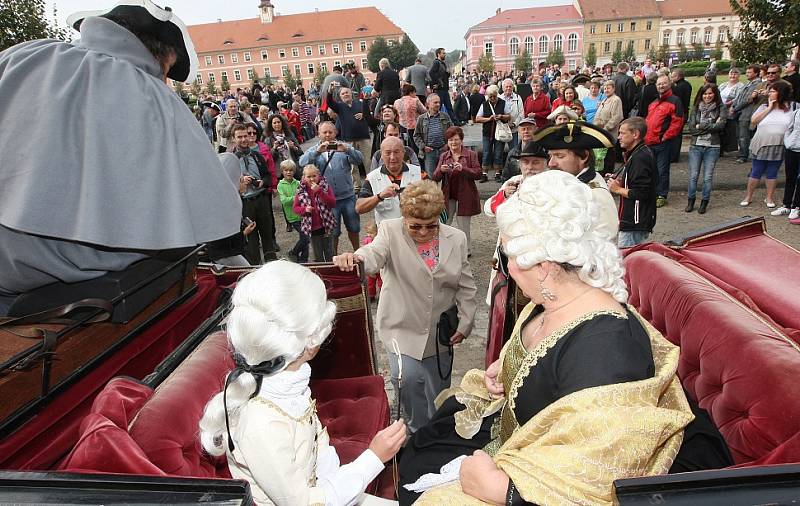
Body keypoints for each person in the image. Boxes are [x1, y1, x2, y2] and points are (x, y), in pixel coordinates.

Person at [399, 170, 705, 505]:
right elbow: (546, 363)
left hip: (542, 477)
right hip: (516, 434)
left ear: (543, 266)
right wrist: (510, 368)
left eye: (506, 256)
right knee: (419, 450)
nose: (506, 268)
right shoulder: (554, 300)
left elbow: (592, 480)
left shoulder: (605, 355)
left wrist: (505, 492)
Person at [0, 0, 241, 311]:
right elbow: (208, 207)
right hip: (66, 269)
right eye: (166, 71)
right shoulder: (154, 98)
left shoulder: (20, 57)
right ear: (162, 56)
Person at [199, 261, 406, 506]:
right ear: (310, 342)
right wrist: (372, 458)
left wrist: (347, 482)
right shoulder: (261, 423)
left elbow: (320, 454)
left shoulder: (288, 384)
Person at [334, 180, 478, 434]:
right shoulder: (389, 230)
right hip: (400, 326)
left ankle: (435, 433)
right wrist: (355, 258)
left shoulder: (456, 238)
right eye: (415, 226)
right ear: (404, 217)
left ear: (439, 218)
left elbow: (465, 284)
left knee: (438, 390)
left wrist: (466, 321)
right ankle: (415, 432)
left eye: (430, 226)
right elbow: (372, 254)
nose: (423, 232)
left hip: (439, 331)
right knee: (407, 381)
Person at [533, 121, 619, 241]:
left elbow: (603, 245)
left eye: (560, 156)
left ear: (584, 156)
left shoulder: (596, 195)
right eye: (551, 156)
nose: (551, 163)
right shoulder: (571, 183)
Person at [298, 122, 363, 253]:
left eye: (330, 132)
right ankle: (334, 257)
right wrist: (317, 152)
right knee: (333, 232)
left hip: (348, 196)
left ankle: (358, 253)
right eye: (324, 132)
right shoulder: (314, 149)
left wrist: (347, 149)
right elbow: (301, 162)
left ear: (335, 133)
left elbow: (359, 160)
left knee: (354, 227)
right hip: (328, 200)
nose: (327, 135)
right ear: (319, 134)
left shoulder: (343, 146)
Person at [741, 80, 795, 208]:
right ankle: (748, 196)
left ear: (780, 93)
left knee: (772, 172)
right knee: (756, 171)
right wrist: (770, 108)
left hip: (779, 145)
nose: (769, 93)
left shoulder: (791, 108)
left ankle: (769, 197)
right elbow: (754, 121)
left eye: (772, 91)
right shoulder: (763, 106)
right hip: (762, 144)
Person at [232, 124, 277, 265]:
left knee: (267, 234)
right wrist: (239, 181)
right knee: (251, 239)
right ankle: (255, 268)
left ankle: (272, 265)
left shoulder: (257, 156)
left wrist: (262, 183)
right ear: (234, 139)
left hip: (261, 200)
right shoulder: (231, 160)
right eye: (240, 137)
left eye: (246, 135)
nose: (244, 139)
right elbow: (226, 184)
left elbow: (268, 176)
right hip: (245, 203)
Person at [608, 117, 658, 247]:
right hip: (634, 222)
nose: (619, 137)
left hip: (634, 223)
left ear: (635, 134)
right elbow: (636, 181)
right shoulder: (637, 153)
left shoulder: (640, 157)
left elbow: (642, 192)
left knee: (625, 261)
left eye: (622, 133)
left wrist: (617, 189)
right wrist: (621, 179)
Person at [431, 127, 482, 251]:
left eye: (456, 139)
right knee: (444, 223)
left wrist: (463, 169)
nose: (453, 142)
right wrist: (441, 170)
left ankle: (466, 249)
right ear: (447, 142)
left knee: (464, 225)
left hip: (465, 195)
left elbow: (478, 173)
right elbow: (435, 177)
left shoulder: (471, 155)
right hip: (448, 195)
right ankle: (442, 247)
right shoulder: (444, 156)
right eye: (450, 140)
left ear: (462, 140)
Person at [357, 136, 426, 224]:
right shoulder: (372, 177)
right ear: (381, 155)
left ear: (403, 153)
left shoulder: (419, 173)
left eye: (396, 152)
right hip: (387, 234)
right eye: (388, 153)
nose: (392, 157)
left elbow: (436, 201)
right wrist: (379, 196)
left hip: (416, 233)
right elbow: (359, 208)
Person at [685, 84, 727, 214]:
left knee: (707, 177)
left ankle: (704, 201)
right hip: (696, 146)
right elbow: (691, 128)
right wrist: (711, 125)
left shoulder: (721, 108)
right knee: (693, 176)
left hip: (712, 147)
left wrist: (701, 126)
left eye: (710, 93)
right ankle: (691, 201)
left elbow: (721, 126)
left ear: (715, 94)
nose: (707, 96)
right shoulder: (696, 108)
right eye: (705, 94)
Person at [646, 74, 684, 208]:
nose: (661, 86)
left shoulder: (675, 101)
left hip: (663, 143)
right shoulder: (654, 103)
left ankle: (661, 194)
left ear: (669, 84)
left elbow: (677, 122)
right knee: (651, 170)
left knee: (662, 170)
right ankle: (652, 193)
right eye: (658, 84)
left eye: (663, 83)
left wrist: (665, 137)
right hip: (649, 141)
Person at [325, 84, 372, 191]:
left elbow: (368, 114)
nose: (345, 94)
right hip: (349, 140)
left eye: (347, 92)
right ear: (340, 97)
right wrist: (330, 92)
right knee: (352, 166)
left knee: (368, 163)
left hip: (363, 138)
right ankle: (357, 187)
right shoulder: (340, 107)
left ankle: (371, 184)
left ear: (351, 94)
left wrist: (363, 114)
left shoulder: (359, 103)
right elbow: (329, 103)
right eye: (343, 93)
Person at [292, 165, 337, 262]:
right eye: (309, 176)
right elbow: (295, 208)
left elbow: (333, 203)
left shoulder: (325, 186)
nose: (312, 179)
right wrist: (304, 209)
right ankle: (321, 272)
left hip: (326, 225)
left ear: (319, 175)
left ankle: (332, 271)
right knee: (318, 254)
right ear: (304, 177)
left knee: (329, 252)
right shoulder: (300, 190)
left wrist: (319, 191)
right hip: (312, 227)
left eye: (314, 176)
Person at [474, 85, 511, 182]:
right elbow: (477, 118)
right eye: (490, 97)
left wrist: (501, 116)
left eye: (494, 96)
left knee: (499, 152)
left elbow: (509, 116)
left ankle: (498, 173)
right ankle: (484, 173)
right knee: (486, 152)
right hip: (487, 132)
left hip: (499, 132)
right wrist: (489, 119)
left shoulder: (503, 103)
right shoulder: (484, 104)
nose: (493, 98)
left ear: (497, 95)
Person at [414, 93, 454, 177]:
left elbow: (453, 131)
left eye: (439, 102)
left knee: (447, 176)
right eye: (435, 102)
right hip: (429, 153)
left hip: (443, 151)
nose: (438, 104)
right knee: (431, 177)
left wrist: (447, 145)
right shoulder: (421, 119)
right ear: (428, 104)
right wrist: (423, 147)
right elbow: (416, 135)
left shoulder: (445, 116)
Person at [276, 160, 308, 262]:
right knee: (306, 238)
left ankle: (303, 260)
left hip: (303, 215)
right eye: (286, 170)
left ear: (294, 171)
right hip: (293, 217)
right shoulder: (280, 185)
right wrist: (296, 196)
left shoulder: (298, 183)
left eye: (291, 170)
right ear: (282, 172)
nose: (288, 172)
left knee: (305, 238)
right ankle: (293, 253)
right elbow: (284, 201)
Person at [733, 64, 763, 163]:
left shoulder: (757, 84)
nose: (747, 74)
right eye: (746, 72)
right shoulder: (749, 83)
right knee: (741, 135)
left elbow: (748, 99)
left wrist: (736, 108)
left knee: (744, 136)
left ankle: (743, 156)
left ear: (756, 73)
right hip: (742, 112)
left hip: (747, 113)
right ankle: (743, 153)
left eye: (749, 72)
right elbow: (740, 97)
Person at [594, 80, 624, 172]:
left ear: (613, 88)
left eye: (609, 88)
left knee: (609, 155)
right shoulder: (605, 99)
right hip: (600, 131)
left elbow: (617, 116)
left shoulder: (616, 100)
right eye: (605, 88)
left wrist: (606, 128)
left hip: (608, 132)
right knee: (601, 155)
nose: (606, 90)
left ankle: (608, 172)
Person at [500, 117, 537, 182]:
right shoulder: (512, 153)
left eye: (529, 129)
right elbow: (505, 178)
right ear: (519, 132)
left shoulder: (544, 151)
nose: (526, 131)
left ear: (536, 130)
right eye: (523, 129)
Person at [394, 84, 427, 153]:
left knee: (405, 146)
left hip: (402, 127)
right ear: (411, 92)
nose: (415, 94)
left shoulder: (397, 102)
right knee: (416, 148)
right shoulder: (415, 100)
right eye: (415, 92)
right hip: (414, 127)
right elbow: (424, 112)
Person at [718, 68, 743, 154]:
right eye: (731, 74)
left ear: (739, 76)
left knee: (728, 130)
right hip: (720, 110)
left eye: (735, 74)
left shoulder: (740, 86)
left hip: (730, 110)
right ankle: (720, 148)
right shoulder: (723, 85)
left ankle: (727, 148)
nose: (733, 76)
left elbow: (738, 98)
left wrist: (728, 104)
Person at [670, 68, 692, 163]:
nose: (671, 78)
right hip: (685, 111)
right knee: (678, 134)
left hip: (679, 113)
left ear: (678, 76)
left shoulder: (678, 88)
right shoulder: (687, 85)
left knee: (676, 135)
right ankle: (675, 154)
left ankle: (674, 156)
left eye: (673, 76)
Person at [783, 107, 800, 223]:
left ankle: (796, 207)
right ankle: (786, 205)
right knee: (790, 178)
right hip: (792, 149)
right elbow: (789, 128)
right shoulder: (796, 112)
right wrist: (788, 142)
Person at [500, 78, 525, 149]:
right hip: (501, 130)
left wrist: (514, 124)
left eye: (510, 86)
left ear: (513, 87)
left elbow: (521, 114)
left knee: (514, 151)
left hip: (514, 130)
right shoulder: (499, 98)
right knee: (498, 153)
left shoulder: (518, 98)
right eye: (506, 86)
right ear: (503, 88)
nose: (508, 88)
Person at [429, 48, 453, 117]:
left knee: (449, 107)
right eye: (443, 53)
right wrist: (437, 83)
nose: (445, 54)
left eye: (444, 53)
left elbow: (442, 76)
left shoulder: (442, 63)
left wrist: (447, 74)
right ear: (439, 54)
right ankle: (433, 121)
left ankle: (455, 123)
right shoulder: (436, 62)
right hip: (440, 89)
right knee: (437, 107)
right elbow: (431, 73)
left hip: (444, 88)